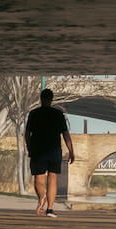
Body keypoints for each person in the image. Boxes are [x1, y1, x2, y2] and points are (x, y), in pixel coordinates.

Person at [24, 88, 74, 217]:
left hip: (38, 149)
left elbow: (27, 133)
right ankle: (50, 209)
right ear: (52, 99)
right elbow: (66, 134)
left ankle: (42, 196)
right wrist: (71, 151)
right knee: (53, 179)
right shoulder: (58, 114)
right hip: (54, 150)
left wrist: (29, 147)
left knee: (39, 178)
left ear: (41, 99)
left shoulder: (34, 113)